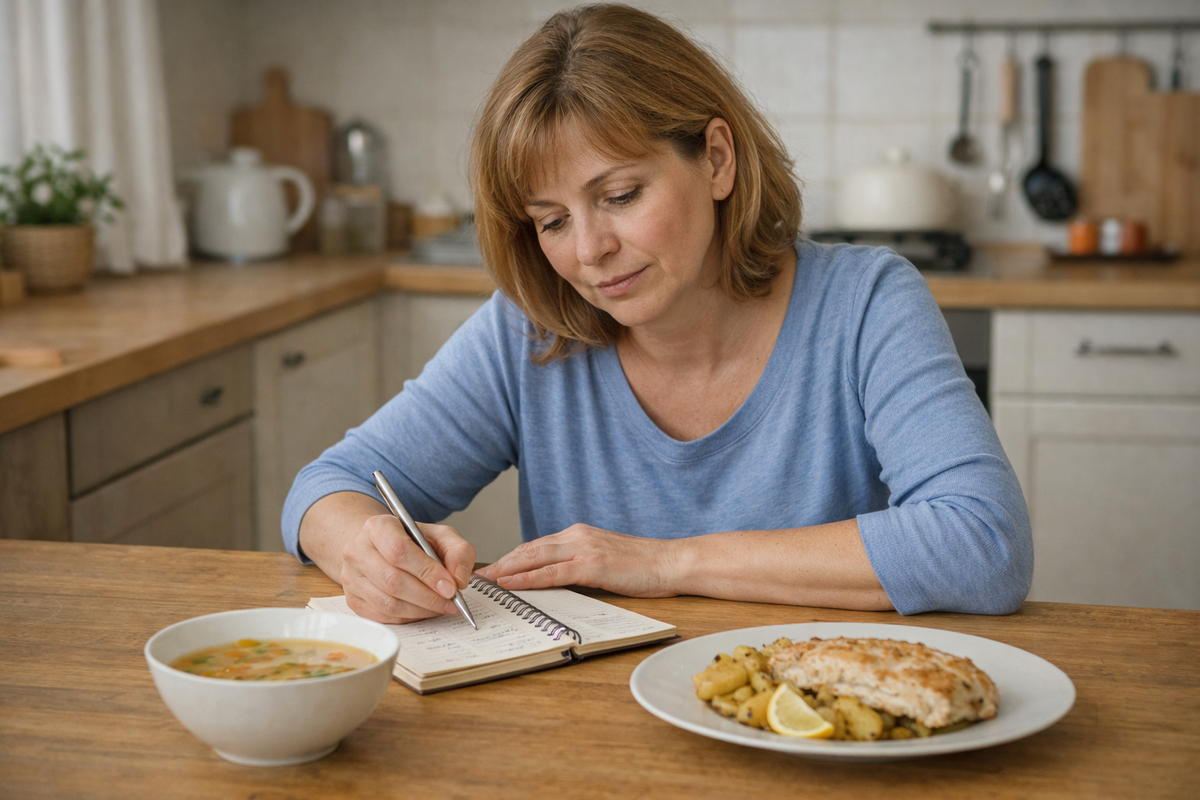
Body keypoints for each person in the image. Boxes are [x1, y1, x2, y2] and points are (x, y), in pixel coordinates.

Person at [284, 3, 1032, 625]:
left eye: (619, 196)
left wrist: (666, 561)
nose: (589, 251)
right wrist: (367, 549)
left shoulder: (866, 303)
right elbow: (327, 486)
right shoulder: (532, 329)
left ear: (715, 159)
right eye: (551, 221)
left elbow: (983, 545)